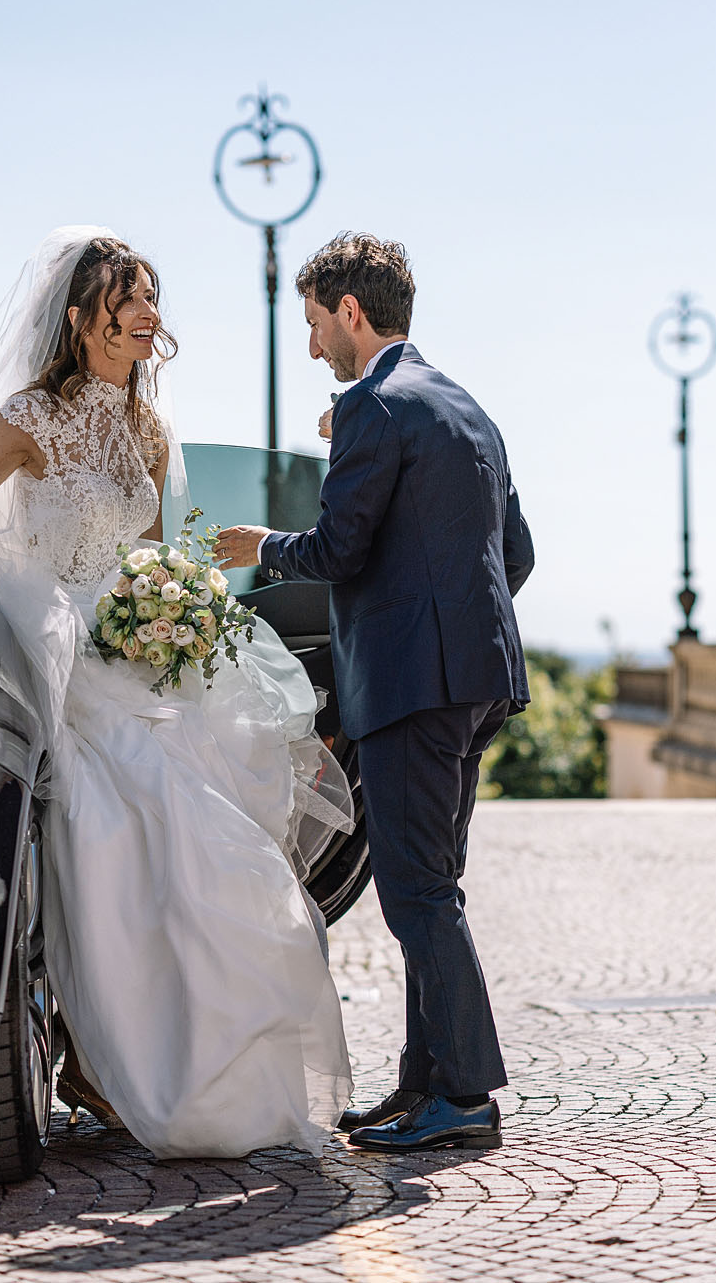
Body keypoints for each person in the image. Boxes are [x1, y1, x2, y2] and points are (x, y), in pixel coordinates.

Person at [0, 226, 353, 1160]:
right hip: (55, 647)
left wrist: (173, 606)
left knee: (204, 833)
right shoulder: (29, 418)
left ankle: (165, 1058)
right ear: (81, 317)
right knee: (113, 825)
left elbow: (149, 551)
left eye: (153, 299)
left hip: (135, 645)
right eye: (131, 299)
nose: (152, 316)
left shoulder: (147, 429)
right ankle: (90, 1050)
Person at [213, 232, 533, 1152]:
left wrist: (262, 545)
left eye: (314, 323)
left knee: (417, 893)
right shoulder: (465, 407)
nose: (313, 346)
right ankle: (423, 1082)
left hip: (410, 687)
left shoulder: (372, 407)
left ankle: (464, 1097)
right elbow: (518, 555)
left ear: (350, 312)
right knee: (433, 884)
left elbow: (338, 551)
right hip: (479, 683)